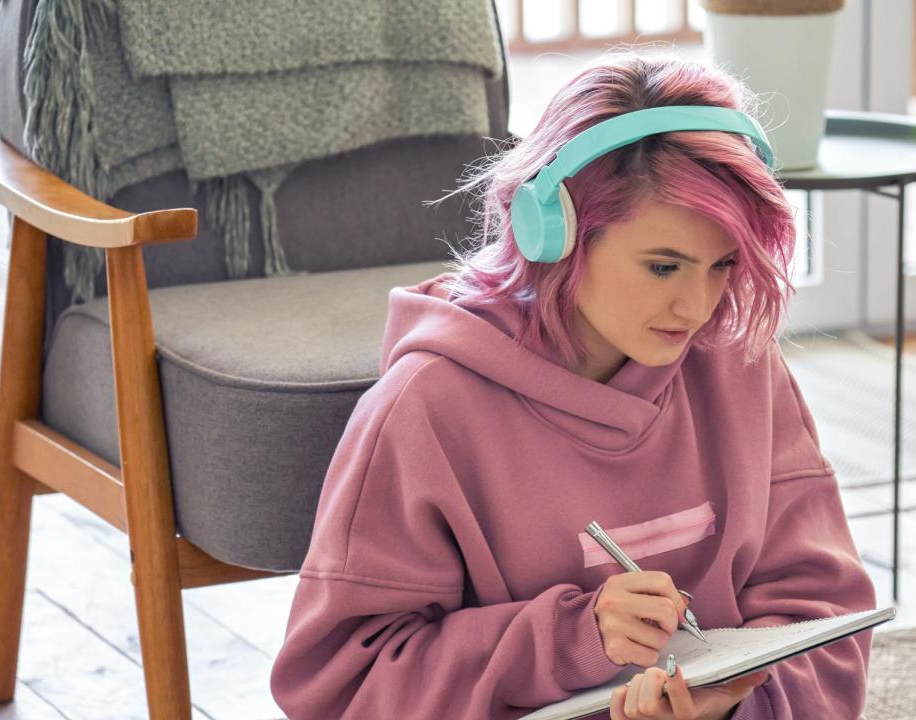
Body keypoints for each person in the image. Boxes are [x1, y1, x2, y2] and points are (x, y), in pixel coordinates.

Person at [269, 52, 877, 720]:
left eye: (721, 265)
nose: (698, 306)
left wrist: (732, 708)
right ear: (553, 231)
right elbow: (340, 687)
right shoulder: (427, 407)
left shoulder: (737, 362)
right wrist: (570, 639)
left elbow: (824, 609)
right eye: (664, 265)